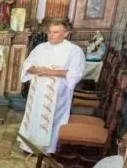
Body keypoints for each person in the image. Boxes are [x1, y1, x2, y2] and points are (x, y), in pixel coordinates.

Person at [18, 20, 85, 153]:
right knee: (34, 117)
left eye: (56, 32)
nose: (51, 35)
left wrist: (50, 72)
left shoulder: (74, 51)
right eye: (50, 32)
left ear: (65, 34)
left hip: (57, 93)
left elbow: (76, 73)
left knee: (52, 119)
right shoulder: (41, 47)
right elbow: (27, 64)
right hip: (37, 92)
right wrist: (36, 70)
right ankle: (29, 147)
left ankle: (48, 149)